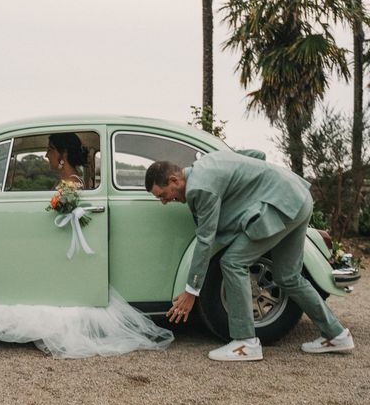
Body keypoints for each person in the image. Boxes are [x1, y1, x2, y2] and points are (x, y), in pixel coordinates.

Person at [0, 132, 174, 359]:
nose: (46, 155)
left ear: (62, 154)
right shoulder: (69, 182)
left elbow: (63, 205)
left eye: (50, 149)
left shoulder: (71, 184)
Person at [144, 150, 354, 361]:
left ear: (174, 180)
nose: (164, 201)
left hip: (280, 206)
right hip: (298, 197)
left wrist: (191, 291)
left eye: (162, 195)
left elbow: (205, 240)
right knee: (288, 276)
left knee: (233, 262)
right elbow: (256, 154)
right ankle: (336, 334)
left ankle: (245, 342)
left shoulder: (200, 188)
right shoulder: (206, 162)